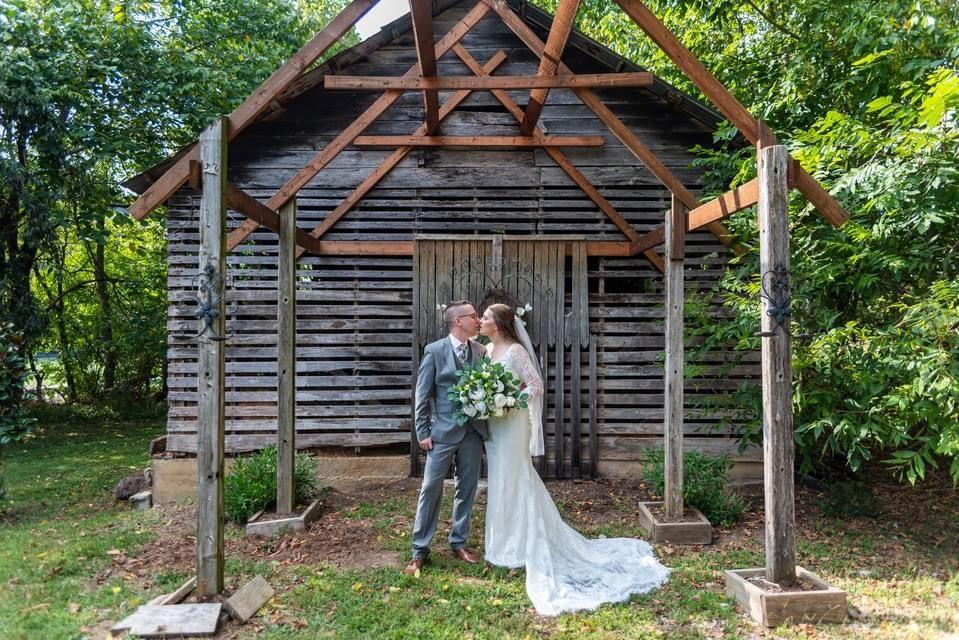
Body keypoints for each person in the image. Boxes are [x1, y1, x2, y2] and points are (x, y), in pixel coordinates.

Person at [479, 303, 670, 615]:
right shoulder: (487, 351)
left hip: (513, 424)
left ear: (498, 323)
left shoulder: (516, 352)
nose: (481, 320)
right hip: (494, 426)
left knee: (516, 476)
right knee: (499, 479)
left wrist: (511, 400)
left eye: (485, 317)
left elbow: (536, 386)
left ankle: (519, 547)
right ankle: (500, 545)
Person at [404, 300, 488, 575]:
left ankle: (459, 542)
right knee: (431, 488)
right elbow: (422, 393)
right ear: (457, 321)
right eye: (473, 316)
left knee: (467, 489)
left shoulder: (480, 351)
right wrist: (423, 430)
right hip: (441, 433)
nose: (478, 320)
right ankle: (419, 549)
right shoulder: (435, 351)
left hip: (472, 433)